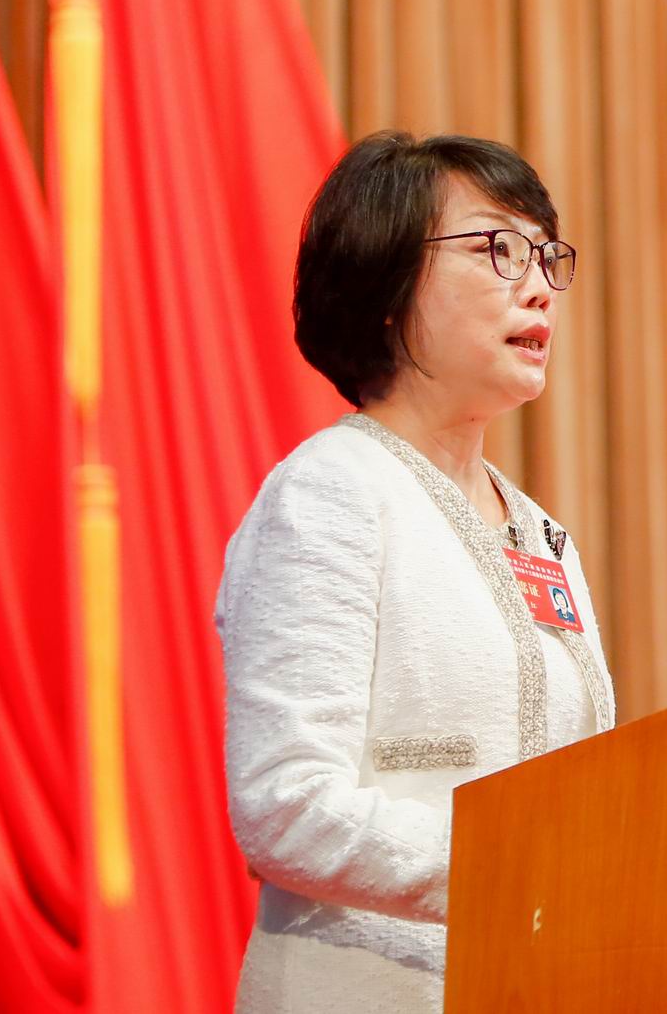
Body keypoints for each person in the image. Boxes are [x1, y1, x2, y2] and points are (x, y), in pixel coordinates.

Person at [216, 131, 614, 1012]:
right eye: (498, 248)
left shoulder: (544, 535)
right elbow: (285, 802)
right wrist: (523, 875)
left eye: (547, 255)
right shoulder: (329, 491)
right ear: (387, 285)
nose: (539, 285)